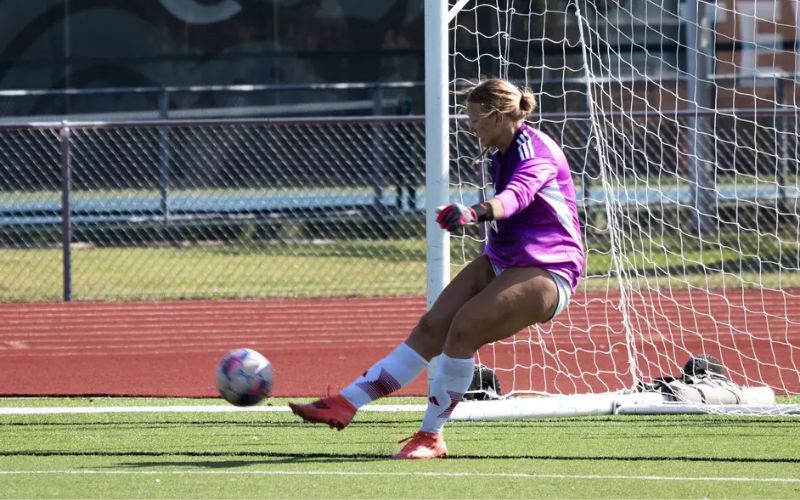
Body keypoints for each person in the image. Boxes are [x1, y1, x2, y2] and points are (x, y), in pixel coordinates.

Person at [288, 77, 584, 459]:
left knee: (462, 331)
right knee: (431, 328)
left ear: (496, 116)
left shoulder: (534, 150)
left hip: (549, 269)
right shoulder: (500, 152)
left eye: (475, 119)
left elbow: (515, 198)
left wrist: (472, 212)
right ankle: (346, 402)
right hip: (503, 261)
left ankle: (431, 436)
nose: (471, 126)